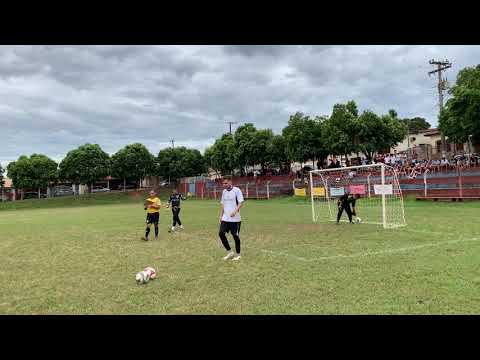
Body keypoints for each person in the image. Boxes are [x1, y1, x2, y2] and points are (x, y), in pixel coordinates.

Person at [218, 177, 244, 261]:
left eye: (226, 183)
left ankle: (238, 254)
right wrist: (221, 216)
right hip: (225, 218)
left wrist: (235, 211)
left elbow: (241, 202)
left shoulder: (237, 190)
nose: (224, 185)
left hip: (235, 219)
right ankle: (229, 252)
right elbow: (222, 204)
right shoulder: (224, 192)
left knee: (235, 236)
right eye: (223, 183)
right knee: (221, 233)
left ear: (230, 182)